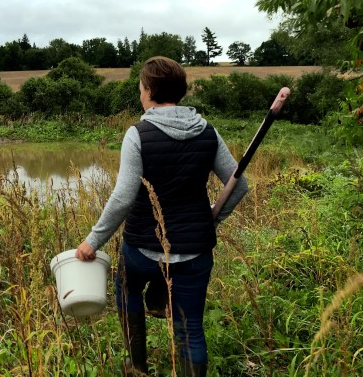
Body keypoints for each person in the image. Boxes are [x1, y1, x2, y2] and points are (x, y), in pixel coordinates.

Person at [75, 56, 248, 376]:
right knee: (191, 329)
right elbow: (239, 187)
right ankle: (160, 298)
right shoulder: (208, 132)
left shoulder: (138, 133)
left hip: (143, 249)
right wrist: (212, 218)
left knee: (127, 289)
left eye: (141, 87)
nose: (140, 93)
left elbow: (124, 196)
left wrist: (93, 241)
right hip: (195, 251)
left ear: (150, 90)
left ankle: (137, 365)